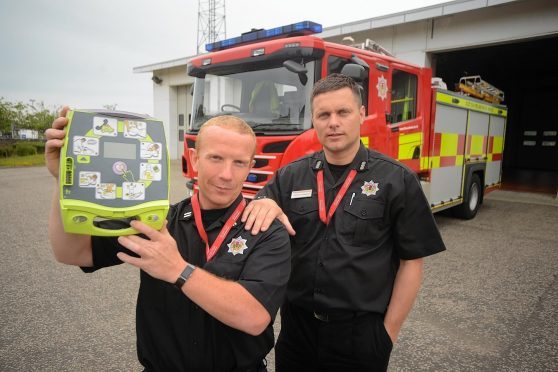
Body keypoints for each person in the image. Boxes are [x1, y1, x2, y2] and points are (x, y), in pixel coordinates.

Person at [45, 111, 291, 372]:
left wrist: (178, 270)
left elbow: (254, 317)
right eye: (216, 158)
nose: (226, 174)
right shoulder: (158, 221)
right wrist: (63, 182)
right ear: (195, 159)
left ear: (251, 165)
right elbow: (72, 252)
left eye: (239, 162)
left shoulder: (266, 229)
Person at [241, 73, 446, 371]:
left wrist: (387, 334)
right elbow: (256, 212)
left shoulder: (396, 180)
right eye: (323, 114)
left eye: (343, 112)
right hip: (297, 333)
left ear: (361, 114)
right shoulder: (290, 176)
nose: (333, 122)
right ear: (313, 119)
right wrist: (264, 201)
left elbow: (411, 263)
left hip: (360, 337)